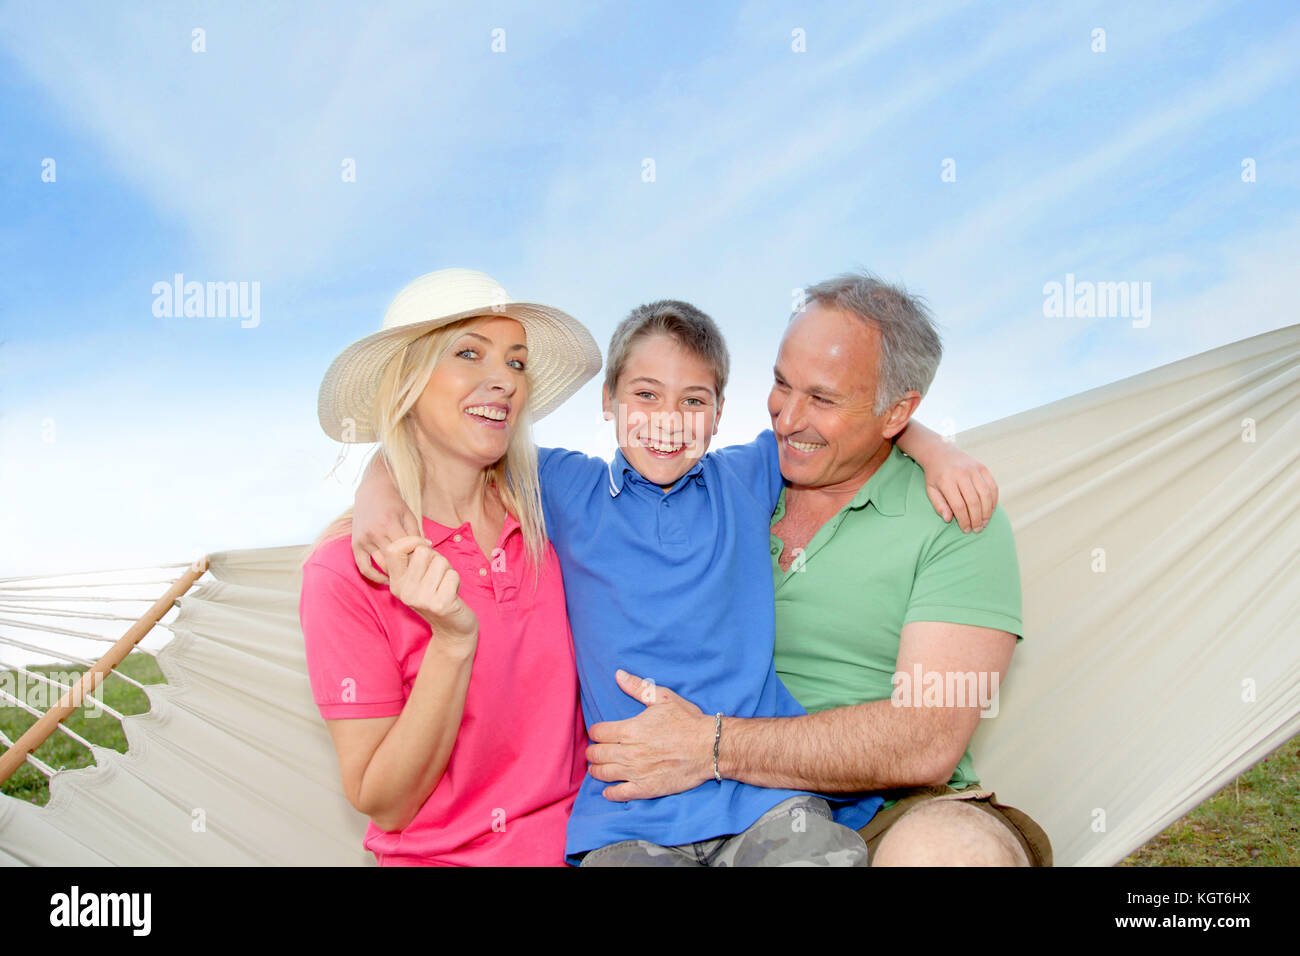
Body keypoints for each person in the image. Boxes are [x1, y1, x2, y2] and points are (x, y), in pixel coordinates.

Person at [352, 296, 994, 865]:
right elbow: (440, 444)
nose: (668, 419)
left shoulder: (745, 477)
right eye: (646, 395)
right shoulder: (566, 489)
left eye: (694, 401)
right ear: (608, 401)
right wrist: (377, 492)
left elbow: (853, 423)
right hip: (629, 812)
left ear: (719, 415)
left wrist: (939, 450)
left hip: (762, 799)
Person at [584, 271, 1053, 866]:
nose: (787, 418)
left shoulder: (955, 516)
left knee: (951, 853)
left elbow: (926, 740)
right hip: (701, 806)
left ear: (896, 413)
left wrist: (713, 745)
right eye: (782, 383)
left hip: (888, 808)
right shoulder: (725, 489)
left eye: (823, 399)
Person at [298, 268, 602, 865]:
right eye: (470, 353)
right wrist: (452, 643)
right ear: (408, 381)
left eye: (516, 363)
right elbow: (384, 802)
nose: (504, 381)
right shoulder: (344, 572)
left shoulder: (556, 512)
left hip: (594, 847)